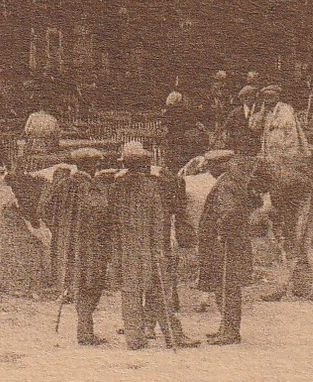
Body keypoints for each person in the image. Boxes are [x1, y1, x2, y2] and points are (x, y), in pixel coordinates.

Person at [107, 141, 189, 349]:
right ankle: (174, 336)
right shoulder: (151, 187)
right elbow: (158, 220)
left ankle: (134, 339)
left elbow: (111, 221)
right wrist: (160, 248)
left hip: (125, 249)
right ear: (143, 164)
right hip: (150, 248)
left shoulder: (116, 187)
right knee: (160, 293)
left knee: (130, 293)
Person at [197, 150, 257, 345]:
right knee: (224, 286)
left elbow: (229, 212)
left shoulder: (226, 184)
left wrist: (221, 232)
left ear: (220, 166)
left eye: (211, 166)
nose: (209, 170)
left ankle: (230, 332)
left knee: (227, 287)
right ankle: (226, 328)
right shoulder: (232, 182)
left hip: (226, 244)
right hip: (229, 242)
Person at [58, 147, 112, 345]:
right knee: (92, 284)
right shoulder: (90, 187)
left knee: (80, 284)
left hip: (70, 244)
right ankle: (85, 332)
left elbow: (46, 208)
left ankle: (85, 330)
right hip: (91, 245)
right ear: (90, 165)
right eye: (96, 164)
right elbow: (100, 212)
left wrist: (62, 229)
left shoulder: (64, 184)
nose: (98, 167)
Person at [253, 85, 309, 167]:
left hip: (284, 148)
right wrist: (262, 112)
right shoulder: (266, 111)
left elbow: (290, 131)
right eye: (265, 97)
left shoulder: (285, 109)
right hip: (270, 150)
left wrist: (288, 152)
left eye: (270, 96)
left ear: (277, 97)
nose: (267, 99)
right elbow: (255, 127)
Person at [217, 86, 262, 156]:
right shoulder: (235, 113)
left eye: (251, 95)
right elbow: (226, 129)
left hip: (257, 150)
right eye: (245, 97)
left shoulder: (261, 111)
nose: (249, 99)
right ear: (242, 99)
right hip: (239, 150)